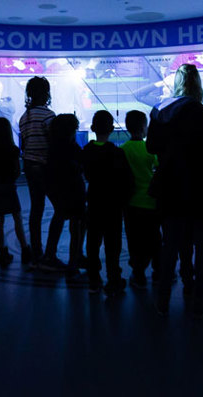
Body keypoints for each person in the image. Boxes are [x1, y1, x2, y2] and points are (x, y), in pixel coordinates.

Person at [147, 64, 203, 318]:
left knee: (170, 247)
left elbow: (151, 147)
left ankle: (163, 301)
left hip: (170, 188)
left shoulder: (160, 112)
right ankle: (199, 301)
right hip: (202, 190)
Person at [82, 111, 134, 295]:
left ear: (93, 128)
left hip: (94, 202)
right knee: (113, 245)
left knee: (93, 243)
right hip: (113, 206)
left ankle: (93, 279)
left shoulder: (87, 152)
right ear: (112, 129)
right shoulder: (116, 153)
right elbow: (127, 181)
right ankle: (113, 278)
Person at [39, 113, 85, 272]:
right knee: (77, 223)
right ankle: (75, 259)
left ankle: (50, 255)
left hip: (55, 189)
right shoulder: (71, 147)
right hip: (73, 189)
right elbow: (82, 160)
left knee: (59, 216)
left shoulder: (53, 147)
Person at [18, 77, 56, 265]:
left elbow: (24, 145)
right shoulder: (48, 116)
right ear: (46, 93)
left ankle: (36, 250)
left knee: (36, 208)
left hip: (29, 165)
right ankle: (49, 252)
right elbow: (54, 143)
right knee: (60, 208)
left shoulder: (24, 117)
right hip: (45, 166)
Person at [121, 110, 160, 288]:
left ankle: (138, 274)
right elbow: (159, 167)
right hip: (151, 202)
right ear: (144, 127)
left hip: (131, 204)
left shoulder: (123, 150)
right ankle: (159, 270)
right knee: (154, 238)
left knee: (134, 240)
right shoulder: (150, 149)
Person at [0, 117, 31, 267]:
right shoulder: (13, 150)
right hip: (10, 187)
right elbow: (17, 171)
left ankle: (3, 253)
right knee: (17, 218)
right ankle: (25, 250)